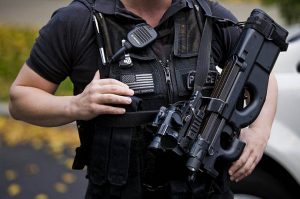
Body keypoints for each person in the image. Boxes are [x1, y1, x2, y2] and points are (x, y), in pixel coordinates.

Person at [9, 0, 278, 198]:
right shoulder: (78, 20)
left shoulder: (207, 15)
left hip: (205, 190)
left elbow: (264, 75)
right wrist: (75, 105)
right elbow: (21, 98)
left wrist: (259, 132)